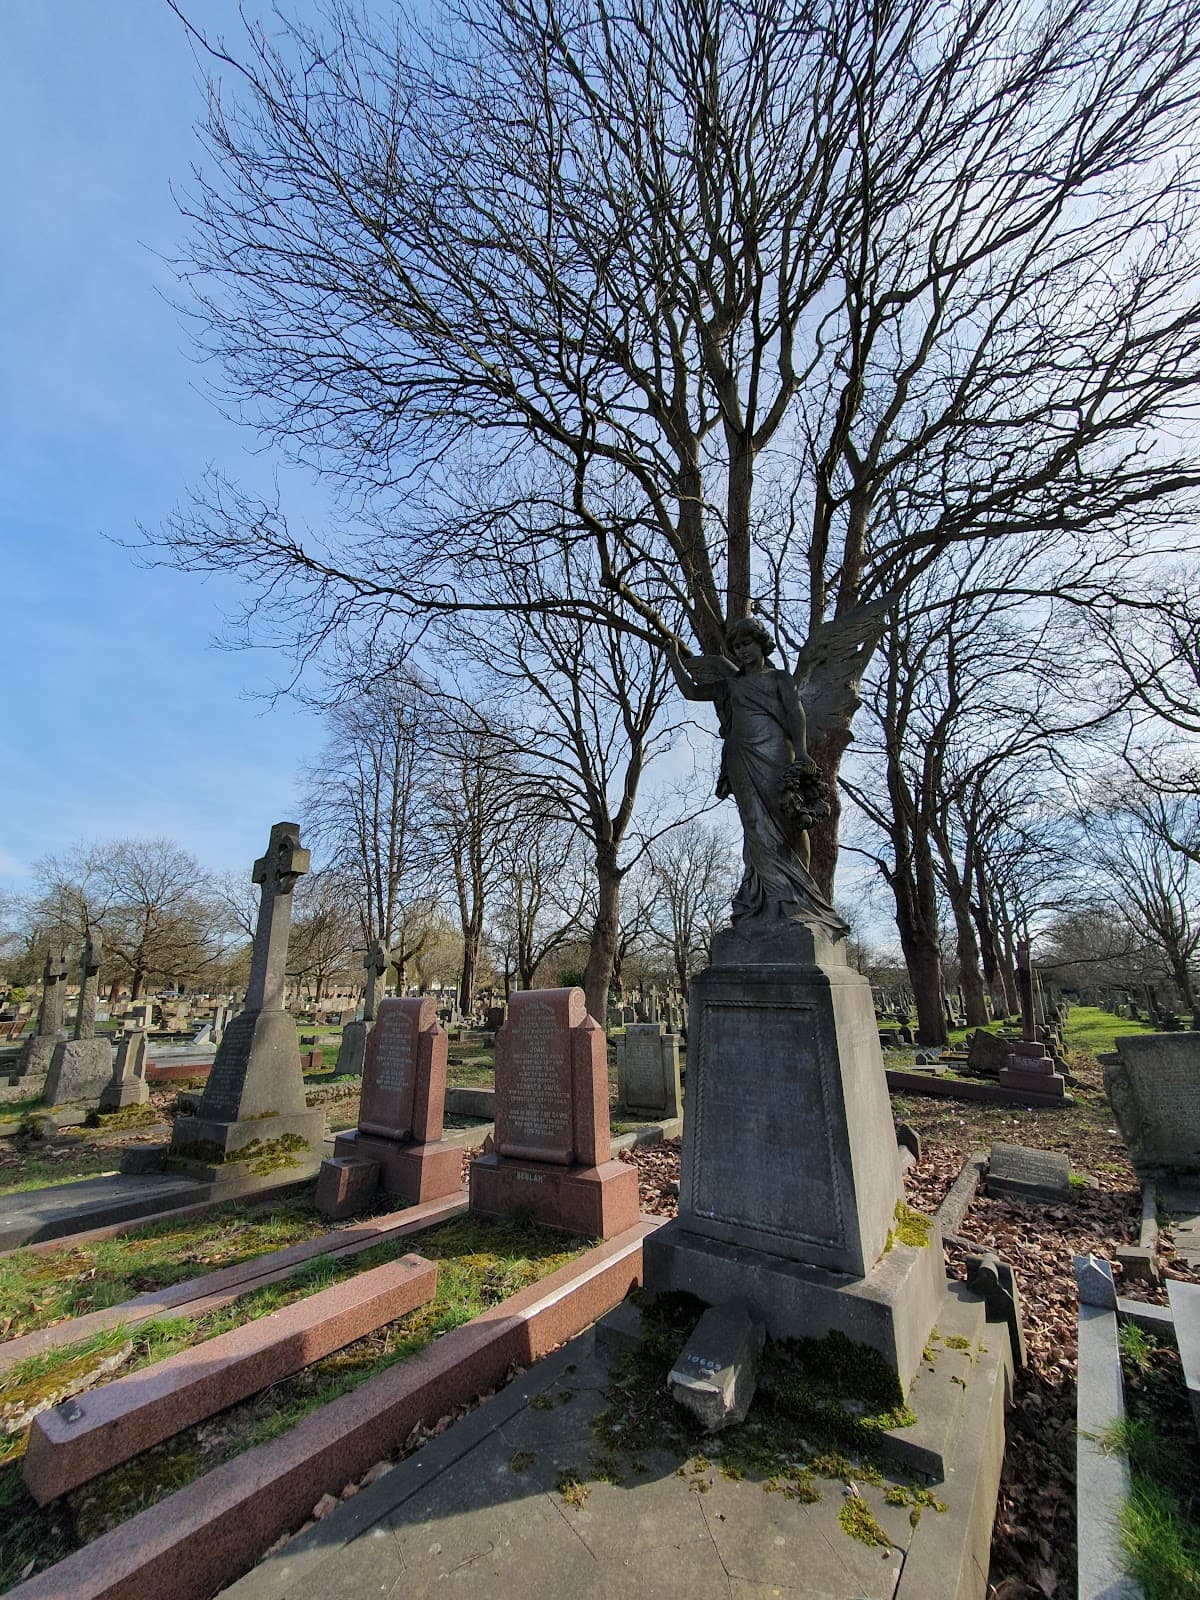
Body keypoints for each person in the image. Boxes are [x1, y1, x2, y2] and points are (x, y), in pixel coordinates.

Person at [668, 617, 847, 936]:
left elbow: (795, 713)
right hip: (742, 756)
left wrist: (803, 753)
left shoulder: (778, 678)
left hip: (777, 753)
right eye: (737, 647)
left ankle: (798, 896)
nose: (742, 651)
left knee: (788, 821)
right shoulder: (732, 682)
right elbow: (692, 691)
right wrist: (673, 659)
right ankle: (765, 901)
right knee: (754, 824)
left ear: (760, 643)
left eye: (747, 644)